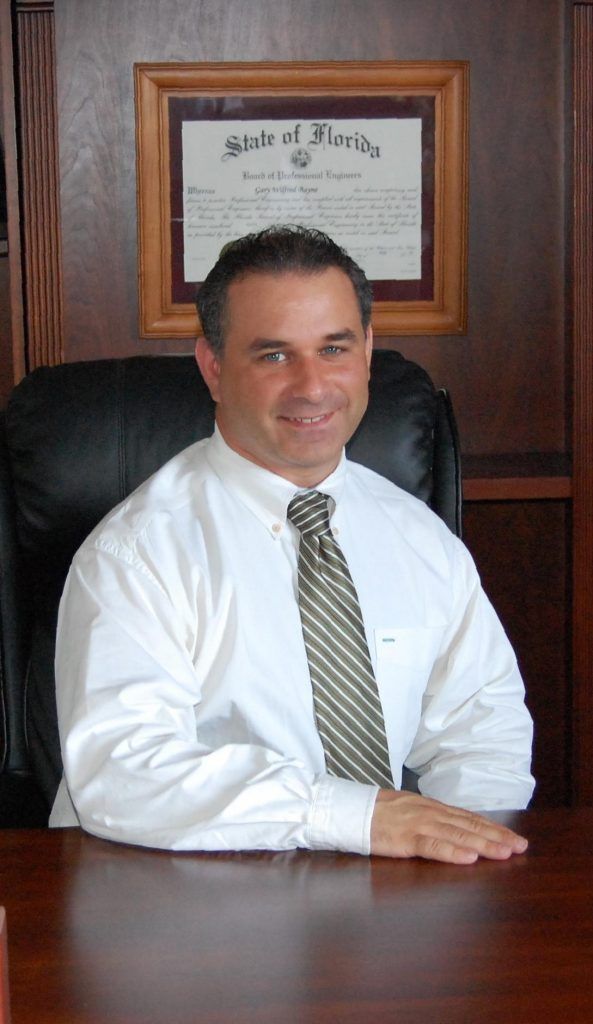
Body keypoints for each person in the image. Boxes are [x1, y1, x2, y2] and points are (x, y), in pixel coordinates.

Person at [50, 225, 534, 863]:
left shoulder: (419, 538)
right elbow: (124, 771)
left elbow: (483, 733)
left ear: (367, 352)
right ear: (214, 368)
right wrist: (352, 816)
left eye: (334, 347)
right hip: (179, 899)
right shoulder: (138, 553)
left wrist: (469, 854)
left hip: (389, 910)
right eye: (274, 355)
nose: (311, 386)